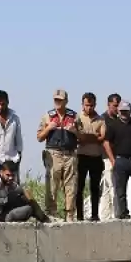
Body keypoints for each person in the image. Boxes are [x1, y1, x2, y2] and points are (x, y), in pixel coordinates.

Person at [37, 89, 79, 221]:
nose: (58, 102)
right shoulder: (47, 116)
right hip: (53, 153)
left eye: (60, 100)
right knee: (52, 186)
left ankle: (70, 215)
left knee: (71, 186)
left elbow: (81, 136)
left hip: (70, 154)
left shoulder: (74, 116)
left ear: (66, 101)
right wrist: (49, 128)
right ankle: (51, 214)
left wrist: (74, 131)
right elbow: (39, 137)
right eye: (56, 99)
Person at [103, 100, 131, 219]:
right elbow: (106, 142)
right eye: (122, 111)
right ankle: (123, 213)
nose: (124, 113)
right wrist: (113, 160)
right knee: (120, 190)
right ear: (118, 111)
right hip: (120, 160)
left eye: (126, 111)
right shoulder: (113, 125)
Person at [0, 160, 49, 226]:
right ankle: (10, 224)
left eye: (12, 175)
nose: (10, 178)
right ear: (1, 172)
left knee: (24, 199)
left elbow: (24, 191)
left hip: (0, 211)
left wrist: (37, 208)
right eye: (8, 175)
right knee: (28, 209)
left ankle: (44, 219)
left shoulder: (9, 183)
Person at [75, 93, 107, 221]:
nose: (89, 108)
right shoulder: (77, 118)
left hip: (96, 157)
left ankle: (95, 215)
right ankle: (79, 216)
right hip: (81, 156)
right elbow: (77, 136)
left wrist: (87, 137)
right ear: (82, 105)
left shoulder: (100, 120)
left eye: (91, 105)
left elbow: (102, 137)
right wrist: (93, 136)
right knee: (79, 187)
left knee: (95, 188)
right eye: (87, 105)